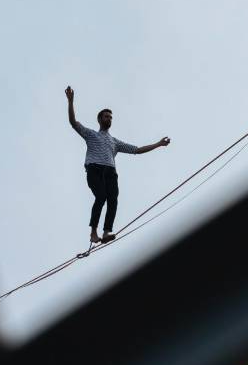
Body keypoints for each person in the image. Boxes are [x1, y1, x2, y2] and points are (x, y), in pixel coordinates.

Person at [65, 85, 170, 245]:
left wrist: (158, 144)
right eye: (106, 117)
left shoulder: (115, 142)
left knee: (113, 199)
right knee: (101, 196)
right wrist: (71, 101)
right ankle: (93, 232)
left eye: (111, 117)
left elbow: (137, 150)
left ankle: (106, 232)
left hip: (110, 172)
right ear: (100, 119)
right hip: (94, 169)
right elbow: (73, 122)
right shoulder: (91, 134)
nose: (109, 119)